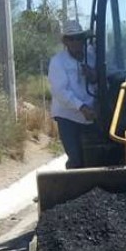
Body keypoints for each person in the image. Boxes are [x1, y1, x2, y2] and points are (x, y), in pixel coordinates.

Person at [48, 20, 97, 169]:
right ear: (65, 41)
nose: (76, 42)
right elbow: (60, 91)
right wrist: (81, 107)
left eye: (79, 38)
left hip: (92, 115)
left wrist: (94, 76)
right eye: (72, 39)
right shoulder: (58, 62)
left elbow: (101, 81)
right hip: (68, 116)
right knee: (76, 158)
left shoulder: (92, 57)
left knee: (94, 156)